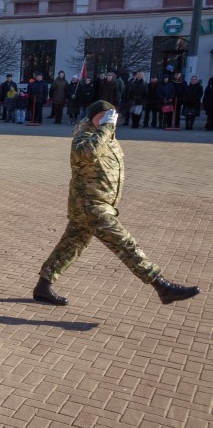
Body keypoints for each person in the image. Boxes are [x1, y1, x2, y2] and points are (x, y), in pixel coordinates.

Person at [33, 101, 201, 306]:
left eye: (110, 116)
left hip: (96, 205)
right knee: (125, 244)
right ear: (93, 117)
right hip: (91, 206)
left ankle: (43, 287)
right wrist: (106, 127)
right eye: (102, 116)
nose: (108, 119)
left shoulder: (106, 137)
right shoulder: (84, 136)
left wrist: (106, 130)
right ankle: (162, 286)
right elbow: (85, 152)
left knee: (70, 247)